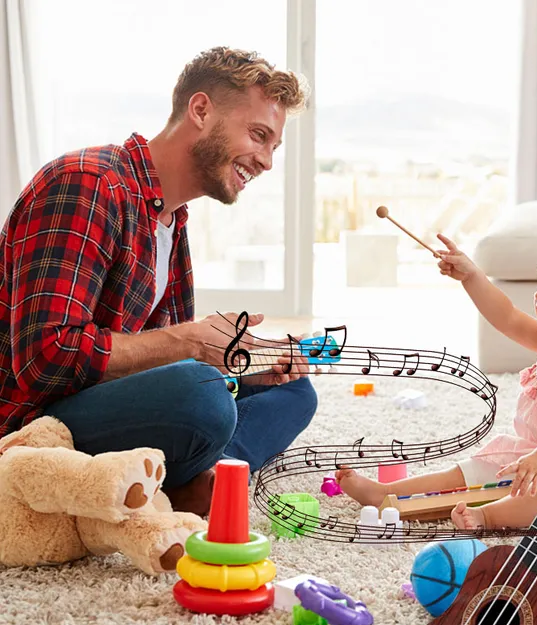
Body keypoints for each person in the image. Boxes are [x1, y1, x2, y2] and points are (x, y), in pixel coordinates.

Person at [0, 47, 318, 517]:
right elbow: (45, 359)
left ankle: (206, 480)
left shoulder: (171, 218)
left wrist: (238, 361)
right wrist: (189, 344)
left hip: (95, 399)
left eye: (274, 145)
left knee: (292, 390)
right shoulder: (88, 184)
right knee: (201, 393)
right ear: (201, 110)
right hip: (31, 427)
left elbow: (150, 359)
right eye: (258, 135)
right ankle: (187, 482)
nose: (268, 161)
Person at [336, 232, 537, 529]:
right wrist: (471, 277)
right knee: (466, 472)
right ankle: (384, 492)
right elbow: (506, 316)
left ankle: (489, 517)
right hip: (532, 453)